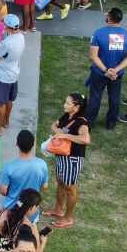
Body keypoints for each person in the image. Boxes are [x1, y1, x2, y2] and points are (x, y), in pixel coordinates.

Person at [43, 93, 91, 229]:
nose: (64, 105)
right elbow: (54, 124)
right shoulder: (67, 115)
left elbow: (86, 139)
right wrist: (57, 131)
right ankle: (59, 209)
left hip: (72, 159)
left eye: (68, 103)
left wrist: (65, 135)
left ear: (76, 107)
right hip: (62, 156)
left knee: (70, 189)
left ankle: (68, 218)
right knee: (60, 182)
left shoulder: (81, 122)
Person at [85, 8, 127, 130]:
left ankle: (89, 124)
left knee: (95, 97)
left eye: (107, 14)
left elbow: (93, 56)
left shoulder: (98, 33)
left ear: (109, 18)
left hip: (99, 72)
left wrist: (107, 70)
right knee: (114, 97)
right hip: (117, 74)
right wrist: (115, 70)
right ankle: (111, 123)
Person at [0, 129, 48, 211]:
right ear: (32, 145)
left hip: (12, 210)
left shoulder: (9, 167)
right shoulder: (42, 164)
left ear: (17, 144)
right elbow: (44, 186)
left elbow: (3, 191)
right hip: (31, 210)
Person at [0, 15, 24, 129]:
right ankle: (6, 121)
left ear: (6, 26)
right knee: (9, 100)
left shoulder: (6, 43)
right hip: (14, 73)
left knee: (1, 104)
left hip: (3, 76)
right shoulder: (21, 36)